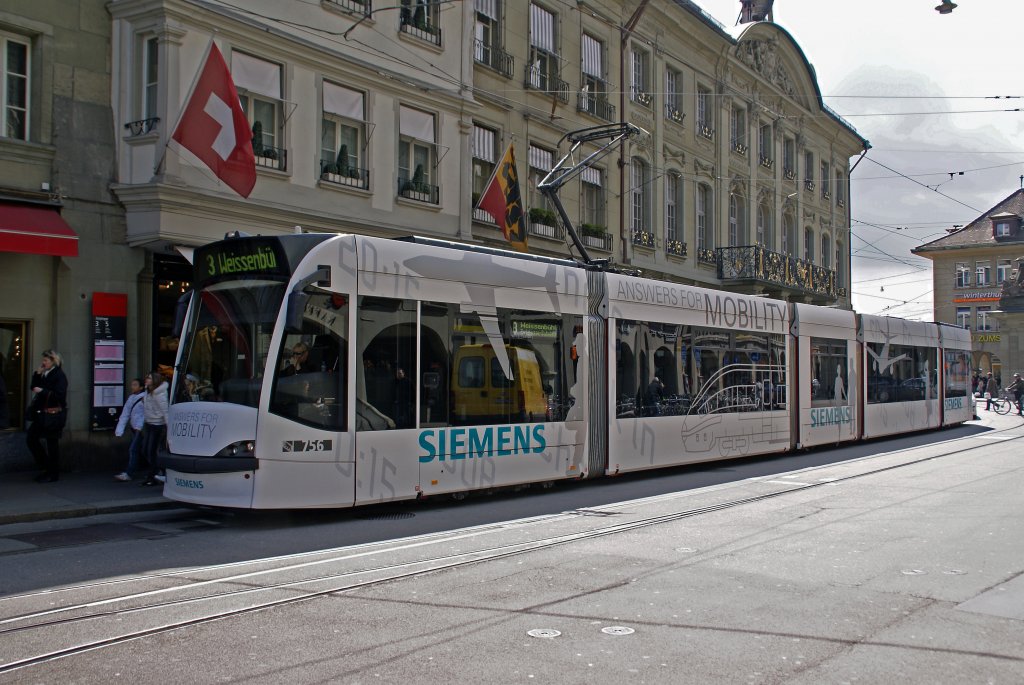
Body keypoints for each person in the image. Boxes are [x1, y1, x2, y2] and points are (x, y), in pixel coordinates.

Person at [26, 349, 68, 483]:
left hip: (53, 414)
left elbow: (59, 395)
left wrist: (43, 391)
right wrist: (37, 374)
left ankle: (53, 473)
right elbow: (33, 387)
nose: (43, 363)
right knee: (31, 439)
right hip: (42, 414)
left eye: (45, 360)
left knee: (52, 444)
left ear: (53, 361)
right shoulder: (45, 374)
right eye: (43, 360)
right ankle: (46, 467)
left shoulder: (59, 375)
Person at [113, 376, 148, 481]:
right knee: (141, 450)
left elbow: (146, 414)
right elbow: (125, 414)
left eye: (135, 385)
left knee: (134, 449)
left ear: (141, 387)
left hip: (140, 428)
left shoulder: (145, 397)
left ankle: (129, 472)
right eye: (132, 384)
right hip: (134, 427)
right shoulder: (131, 398)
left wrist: (140, 426)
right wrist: (119, 430)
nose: (132, 387)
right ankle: (154, 470)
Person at [140, 371, 169, 487]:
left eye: (149, 378)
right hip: (149, 423)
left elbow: (165, 411)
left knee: (151, 451)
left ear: (155, 380)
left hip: (157, 425)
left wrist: (168, 427)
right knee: (146, 450)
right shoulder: (148, 392)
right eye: (146, 377)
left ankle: (153, 475)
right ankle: (158, 471)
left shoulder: (159, 394)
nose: (146, 380)